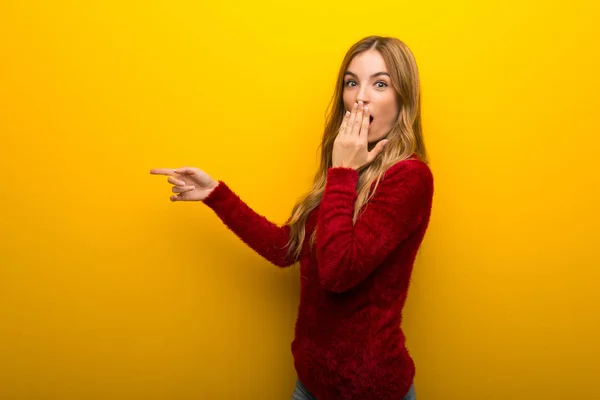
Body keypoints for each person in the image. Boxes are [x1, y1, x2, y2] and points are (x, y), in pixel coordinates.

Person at [150, 35, 433, 400]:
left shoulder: (408, 177)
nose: (360, 96)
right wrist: (216, 195)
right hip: (310, 385)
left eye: (380, 83)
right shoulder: (348, 168)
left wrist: (342, 170)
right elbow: (287, 248)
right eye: (351, 82)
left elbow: (337, 272)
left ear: (403, 100)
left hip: (368, 391)